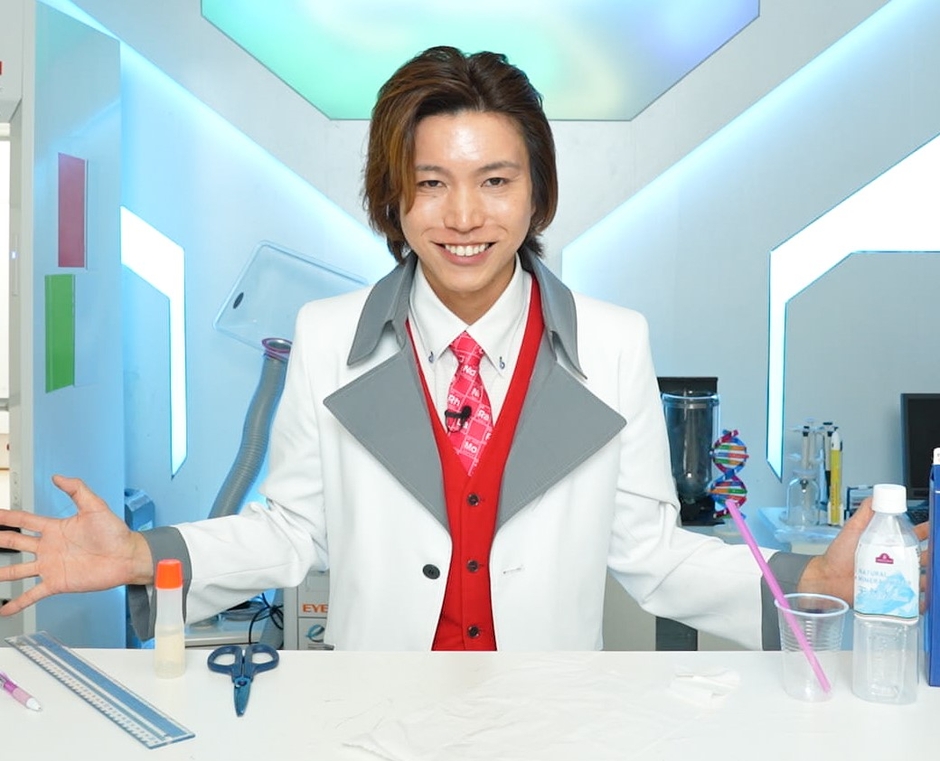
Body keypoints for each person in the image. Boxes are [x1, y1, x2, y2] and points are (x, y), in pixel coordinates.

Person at [0, 46, 922, 650]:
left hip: (550, 723)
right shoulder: (328, 336)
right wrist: (141, 555)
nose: (465, 215)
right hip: (372, 717)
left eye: (496, 181)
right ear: (393, 198)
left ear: (538, 194)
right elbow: (290, 534)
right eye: (432, 182)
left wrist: (811, 580)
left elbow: (652, 553)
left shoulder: (612, 342)